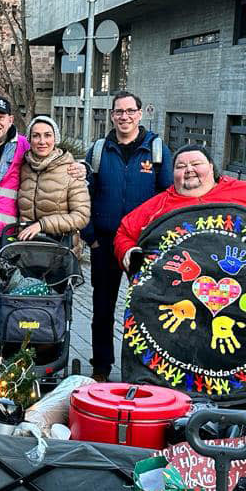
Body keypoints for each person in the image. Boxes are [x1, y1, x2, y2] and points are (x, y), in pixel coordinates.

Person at [0, 96, 86, 384]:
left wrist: (81, 167)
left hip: (11, 245)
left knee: (4, 306)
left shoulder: (24, 146)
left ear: (11, 120)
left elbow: (54, 157)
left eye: (0, 117)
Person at [81, 91, 173, 382]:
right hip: (105, 243)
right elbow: (82, 196)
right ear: (112, 115)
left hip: (142, 246)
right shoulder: (98, 150)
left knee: (145, 308)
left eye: (130, 111)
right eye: (119, 111)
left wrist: (157, 240)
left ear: (139, 114)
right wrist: (90, 236)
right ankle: (101, 368)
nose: (125, 116)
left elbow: (168, 197)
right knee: (102, 310)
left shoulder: (156, 150)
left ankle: (142, 370)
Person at [114, 143, 246, 273]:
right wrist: (128, 253)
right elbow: (124, 232)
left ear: (212, 167)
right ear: (173, 173)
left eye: (196, 164)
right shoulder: (158, 205)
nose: (189, 169)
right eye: (180, 166)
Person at [16, 114, 91, 246]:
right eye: (36, 136)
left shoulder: (71, 170)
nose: (42, 141)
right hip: (27, 247)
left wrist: (42, 225)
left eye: (47, 135)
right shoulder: (24, 168)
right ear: (29, 140)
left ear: (55, 139)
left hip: (60, 248)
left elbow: (81, 216)